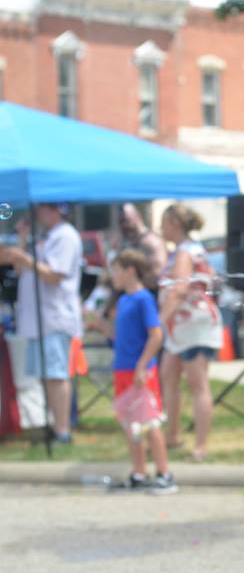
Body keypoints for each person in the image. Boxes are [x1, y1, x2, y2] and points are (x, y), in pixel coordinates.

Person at [93, 249, 177, 493]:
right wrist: (100, 325)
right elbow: (121, 337)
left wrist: (142, 364)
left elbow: (156, 334)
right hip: (122, 369)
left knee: (149, 423)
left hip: (140, 371)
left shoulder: (143, 299)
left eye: (116, 270)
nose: (113, 275)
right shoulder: (123, 300)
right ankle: (139, 472)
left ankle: (165, 473)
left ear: (130, 270)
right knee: (131, 424)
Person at [0, 205, 82, 443]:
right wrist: (23, 240)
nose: (37, 213)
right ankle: (54, 424)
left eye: (42, 209)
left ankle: (62, 430)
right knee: (46, 376)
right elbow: (19, 267)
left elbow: (55, 275)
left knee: (56, 375)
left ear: (56, 210)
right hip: (39, 321)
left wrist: (26, 257)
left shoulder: (65, 236)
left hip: (54, 318)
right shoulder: (46, 237)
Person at [158, 203, 221, 461]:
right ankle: (172, 436)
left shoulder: (185, 252)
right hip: (183, 327)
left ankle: (201, 445)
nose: (160, 228)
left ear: (174, 223)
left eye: (163, 222)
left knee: (197, 384)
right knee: (168, 375)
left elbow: (179, 290)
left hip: (192, 324)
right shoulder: (193, 250)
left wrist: (158, 322)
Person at [118, 203, 168, 294]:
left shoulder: (152, 242)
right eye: (121, 221)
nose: (124, 225)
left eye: (127, 220)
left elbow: (158, 276)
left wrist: (132, 283)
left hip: (150, 298)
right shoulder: (127, 243)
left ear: (138, 216)